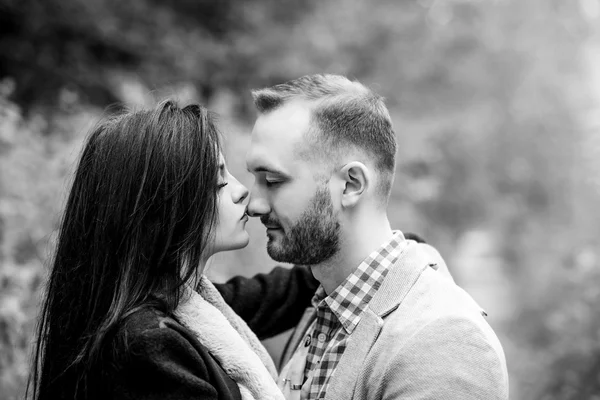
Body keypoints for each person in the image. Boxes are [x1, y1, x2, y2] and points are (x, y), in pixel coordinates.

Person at [27, 100, 319, 400]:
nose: (241, 190)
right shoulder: (148, 345)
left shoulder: (185, 303)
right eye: (219, 182)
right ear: (165, 207)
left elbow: (280, 293)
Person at [245, 74, 510, 399]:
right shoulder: (324, 308)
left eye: (272, 180)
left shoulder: (443, 342)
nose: (254, 204)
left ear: (352, 184)